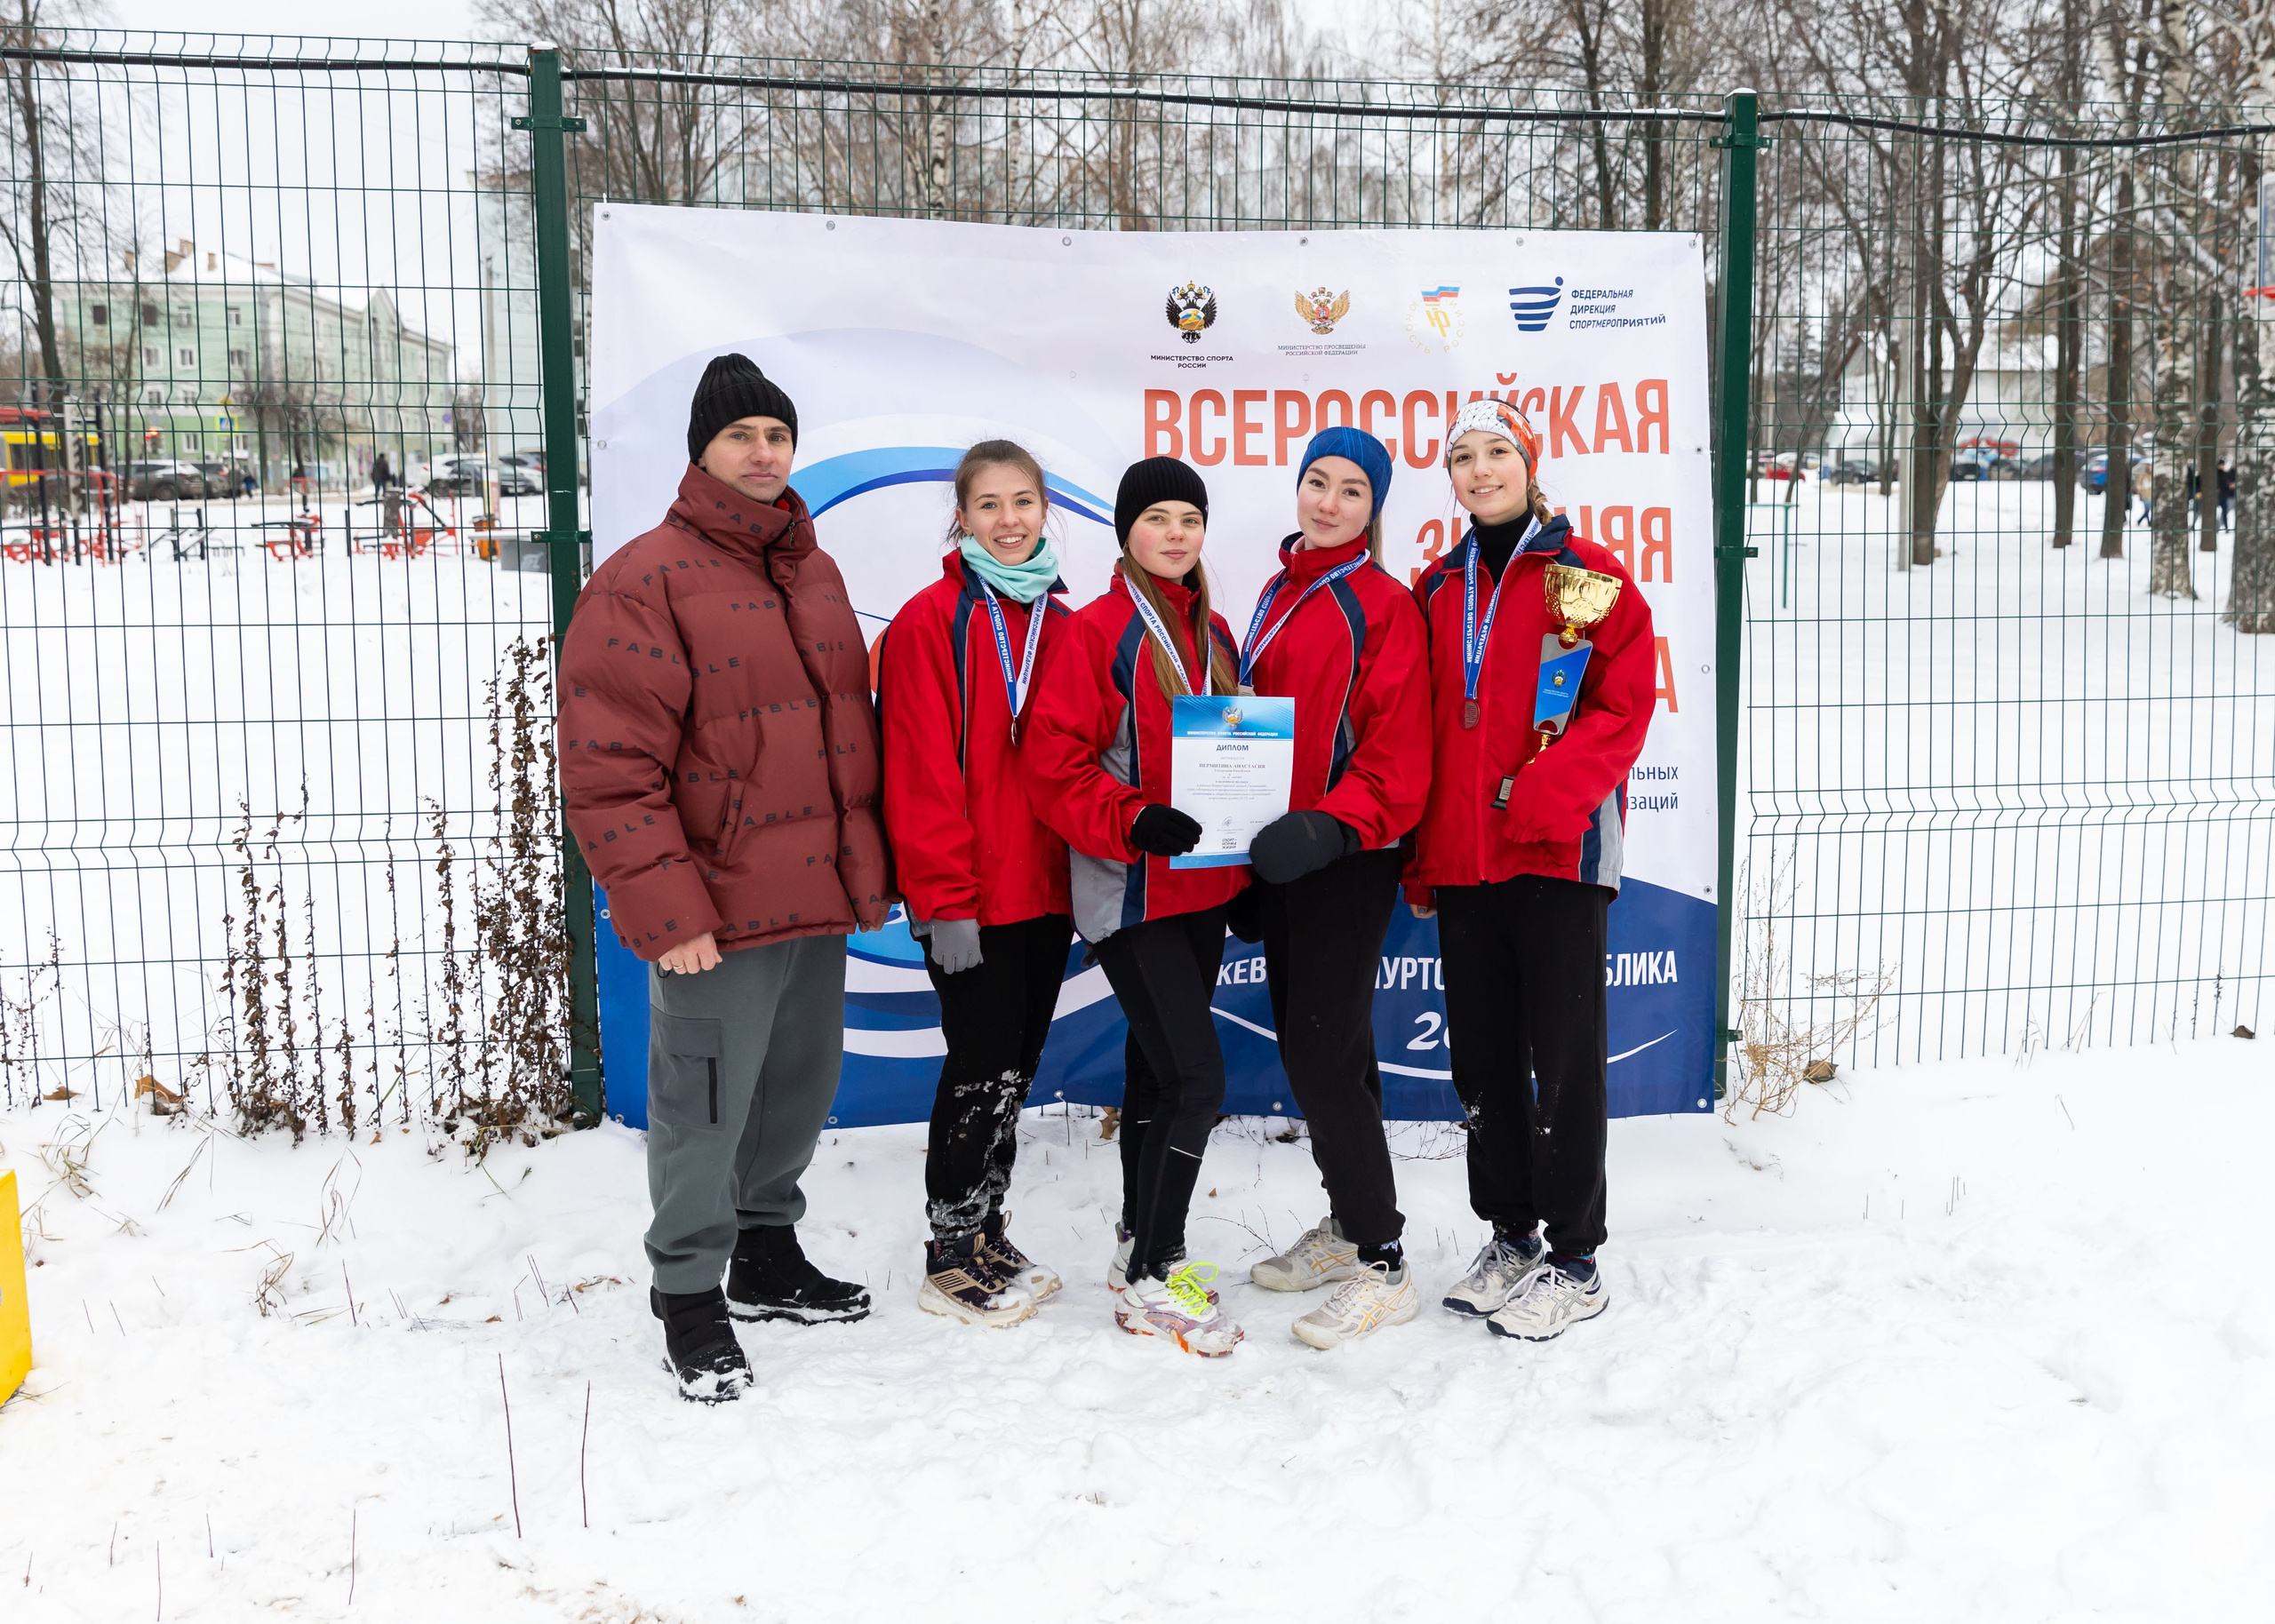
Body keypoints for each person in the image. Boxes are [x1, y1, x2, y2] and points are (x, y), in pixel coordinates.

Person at [557, 353, 890, 1403]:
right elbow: (610, 768)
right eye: (740, 436)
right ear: (701, 449)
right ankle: (689, 1294)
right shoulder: (644, 578)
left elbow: (843, 733)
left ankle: (765, 1252)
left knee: (794, 1089)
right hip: (713, 907)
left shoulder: (816, 570)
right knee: (701, 1105)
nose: (762, 453)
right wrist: (665, 908)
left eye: (776, 437)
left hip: (814, 896)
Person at [1406, 399, 1656, 1343]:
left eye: (1495, 452)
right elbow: (1427, 727)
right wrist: (1428, 852)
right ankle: (1510, 1232)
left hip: (1554, 855)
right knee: (1483, 1061)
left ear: (1528, 461)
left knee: (1563, 1058)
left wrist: (1547, 797)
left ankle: (1578, 1255)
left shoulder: (1586, 577)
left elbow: (1620, 710)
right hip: (1466, 863)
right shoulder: (1436, 588)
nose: (1478, 471)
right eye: (1461, 457)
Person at [1022, 457, 1249, 1357]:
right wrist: (1133, 818)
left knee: (1160, 1075)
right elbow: (1055, 768)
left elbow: (1238, 764)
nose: (1176, 533)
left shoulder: (1217, 630)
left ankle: (1138, 1237)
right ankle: (1156, 1275)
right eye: (1157, 517)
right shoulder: (1096, 632)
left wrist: (1248, 872)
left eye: (1189, 518)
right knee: (1200, 1080)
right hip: (1131, 892)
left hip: (1203, 891)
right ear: (1126, 531)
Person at [1233, 426, 1431, 1350]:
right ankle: (1350, 1221)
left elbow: (1397, 755)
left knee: (1319, 1056)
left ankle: (1382, 1260)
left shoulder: (1382, 605)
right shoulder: (1278, 590)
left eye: (1352, 491)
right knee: (1331, 1050)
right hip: (1282, 857)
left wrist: (1330, 824)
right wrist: (1241, 851)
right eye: (1318, 480)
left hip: (1344, 858)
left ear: (1373, 508)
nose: (1329, 502)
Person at [880, 441, 1075, 1327]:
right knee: (978, 1067)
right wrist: (942, 898)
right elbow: (918, 772)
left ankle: (988, 1228)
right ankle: (948, 1250)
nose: (1008, 521)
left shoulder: (1067, 624)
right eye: (989, 505)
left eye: (1022, 502)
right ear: (960, 518)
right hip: (970, 897)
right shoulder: (931, 621)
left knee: (1014, 1071)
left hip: (1045, 891)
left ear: (1043, 511)